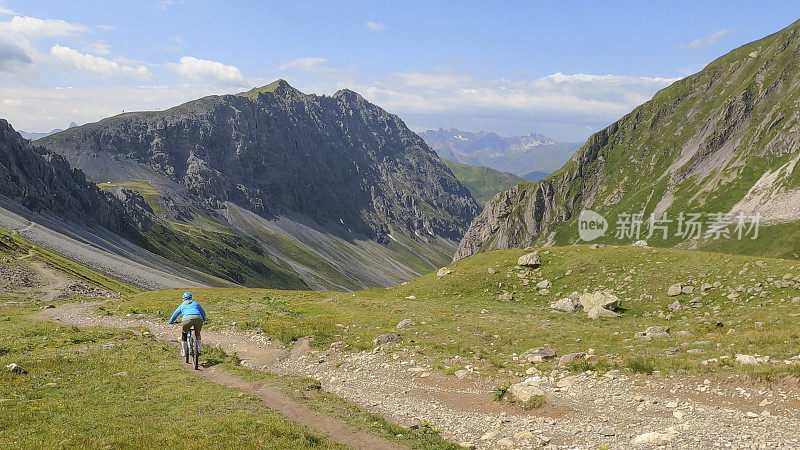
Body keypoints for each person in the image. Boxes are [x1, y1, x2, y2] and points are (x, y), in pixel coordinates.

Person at [168, 292, 206, 357]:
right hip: (198, 319)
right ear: (191, 297)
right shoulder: (195, 303)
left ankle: (184, 352)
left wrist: (170, 321)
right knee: (197, 334)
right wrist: (204, 319)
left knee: (184, 334)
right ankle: (198, 350)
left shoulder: (182, 305)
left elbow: (175, 314)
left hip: (187, 319)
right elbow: (202, 312)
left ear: (183, 299)